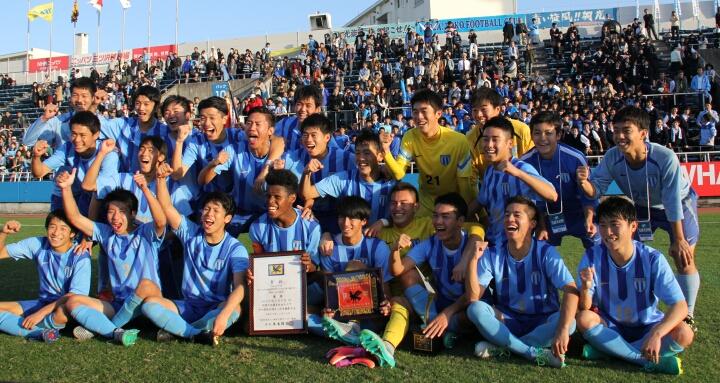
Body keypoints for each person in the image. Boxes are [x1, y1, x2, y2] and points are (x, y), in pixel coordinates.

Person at [578, 107, 700, 327]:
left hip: (679, 202)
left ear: (643, 133)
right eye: (615, 131)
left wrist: (679, 239)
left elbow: (672, 200)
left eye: (626, 130)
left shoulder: (665, 157)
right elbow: (596, 190)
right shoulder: (612, 157)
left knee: (683, 257)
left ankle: (687, 315)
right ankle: (627, 310)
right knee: (629, 255)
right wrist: (585, 182)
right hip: (642, 207)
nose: (619, 136)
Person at [575, 196, 694, 375]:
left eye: (614, 224)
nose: (607, 232)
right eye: (603, 225)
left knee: (685, 333)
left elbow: (680, 306)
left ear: (633, 226)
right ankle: (643, 360)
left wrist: (657, 334)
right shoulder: (592, 256)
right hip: (611, 326)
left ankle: (609, 351)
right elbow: (584, 307)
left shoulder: (652, 258)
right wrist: (585, 287)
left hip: (647, 327)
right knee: (584, 319)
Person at [57, 168, 166, 346]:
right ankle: (115, 331)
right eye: (110, 212)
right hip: (118, 304)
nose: (115, 217)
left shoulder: (145, 233)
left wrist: (145, 189)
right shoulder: (107, 234)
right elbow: (75, 218)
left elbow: (161, 221)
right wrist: (66, 188)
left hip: (147, 304)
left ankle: (105, 329)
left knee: (146, 285)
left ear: (132, 214)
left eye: (122, 211)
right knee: (73, 301)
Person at [141, 164, 248, 346]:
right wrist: (160, 180)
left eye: (215, 210)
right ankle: (196, 333)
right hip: (188, 305)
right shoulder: (191, 233)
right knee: (149, 304)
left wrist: (222, 315)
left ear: (227, 218)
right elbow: (167, 207)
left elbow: (240, 287)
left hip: (215, 307)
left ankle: (178, 330)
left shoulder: (236, 248)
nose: (208, 214)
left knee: (234, 309)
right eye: (206, 209)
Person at [465, 196, 578, 368]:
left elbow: (571, 290)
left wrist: (562, 330)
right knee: (475, 309)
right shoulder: (492, 254)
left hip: (542, 321)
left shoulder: (546, 252)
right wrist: (473, 260)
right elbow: (473, 298)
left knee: (570, 323)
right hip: (507, 320)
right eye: (507, 214)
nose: (510, 219)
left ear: (532, 224)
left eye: (517, 215)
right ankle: (531, 353)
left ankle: (505, 348)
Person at [313, 197, 406, 368]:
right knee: (309, 318)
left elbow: (384, 286)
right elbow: (330, 288)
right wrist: (329, 308)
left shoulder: (377, 247)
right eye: (342, 217)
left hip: (371, 312)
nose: (346, 223)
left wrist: (385, 302)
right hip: (342, 312)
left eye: (352, 218)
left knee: (354, 265)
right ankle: (356, 338)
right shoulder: (329, 247)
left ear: (364, 221)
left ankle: (354, 332)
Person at [387, 193, 475, 348]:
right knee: (408, 275)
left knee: (474, 314)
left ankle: (440, 328)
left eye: (446, 216)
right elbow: (398, 271)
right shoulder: (430, 244)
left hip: (466, 306)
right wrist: (395, 250)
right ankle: (434, 324)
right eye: (435, 216)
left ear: (460, 221)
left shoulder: (473, 246)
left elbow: (473, 295)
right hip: (442, 304)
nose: (438, 221)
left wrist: (447, 314)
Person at [382, 89, 475, 217]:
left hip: (453, 205)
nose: (419, 117)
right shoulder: (410, 137)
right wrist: (385, 151)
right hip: (426, 204)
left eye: (424, 111)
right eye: (415, 112)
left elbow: (464, 186)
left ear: (438, 114)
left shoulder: (458, 141)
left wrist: (465, 215)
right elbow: (399, 174)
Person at [0, 211, 91, 342]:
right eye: (52, 227)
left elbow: (75, 296)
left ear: (73, 233)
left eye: (63, 228)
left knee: (63, 312)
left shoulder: (80, 255)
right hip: (43, 303)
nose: (55, 232)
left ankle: (37, 329)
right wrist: (4, 233)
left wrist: (39, 314)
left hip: (66, 307)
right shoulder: (38, 244)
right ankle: (42, 332)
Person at [469, 116, 557, 245]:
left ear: (510, 143)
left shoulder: (522, 168)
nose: (489, 145)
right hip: (494, 243)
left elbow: (552, 195)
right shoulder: (490, 171)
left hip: (517, 247)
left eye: (495, 140)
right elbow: (480, 201)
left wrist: (518, 174)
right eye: (485, 139)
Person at [520, 112, 599, 249]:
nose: (542, 138)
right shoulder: (525, 163)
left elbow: (588, 194)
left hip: (579, 214)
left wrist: (589, 219)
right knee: (538, 252)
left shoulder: (575, 158)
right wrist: (540, 225)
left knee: (599, 246)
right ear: (531, 136)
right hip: (547, 218)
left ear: (558, 135)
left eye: (548, 133)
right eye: (537, 133)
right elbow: (531, 201)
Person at [200, 106, 278, 235]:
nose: (252, 128)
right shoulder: (234, 150)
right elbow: (203, 180)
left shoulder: (279, 154)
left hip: (268, 214)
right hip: (240, 213)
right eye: (249, 123)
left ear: (270, 131)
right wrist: (213, 164)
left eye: (258, 124)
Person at [249, 169, 323, 305]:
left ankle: (310, 317)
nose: (270, 201)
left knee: (321, 280)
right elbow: (258, 262)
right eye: (268, 196)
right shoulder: (257, 227)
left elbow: (314, 266)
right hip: (272, 285)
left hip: (302, 283)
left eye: (277, 197)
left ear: (292, 198)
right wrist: (252, 272)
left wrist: (308, 265)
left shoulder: (311, 227)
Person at [31, 111, 120, 216]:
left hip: (104, 205)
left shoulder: (109, 154)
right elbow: (39, 172)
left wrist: (89, 227)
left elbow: (96, 190)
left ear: (96, 135)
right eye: (73, 134)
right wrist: (36, 156)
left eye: (83, 135)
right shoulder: (68, 148)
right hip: (82, 201)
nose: (77, 140)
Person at [300, 129, 394, 226]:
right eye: (357, 153)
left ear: (380, 156)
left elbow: (406, 214)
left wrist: (384, 222)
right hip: (350, 239)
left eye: (367, 153)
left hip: (384, 240)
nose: (361, 158)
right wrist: (306, 173)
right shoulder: (344, 179)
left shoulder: (391, 183)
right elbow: (307, 194)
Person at [282, 113, 355, 233]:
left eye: (313, 135)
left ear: (327, 138)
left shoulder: (347, 158)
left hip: (339, 218)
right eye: (305, 135)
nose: (309, 140)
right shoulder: (293, 157)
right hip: (306, 214)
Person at [467, 87, 534, 184]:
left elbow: (532, 163)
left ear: (497, 109)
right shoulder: (470, 138)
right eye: (475, 110)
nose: (478, 115)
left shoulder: (521, 130)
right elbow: (472, 176)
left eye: (483, 109)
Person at [23, 77, 104, 149]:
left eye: (84, 96)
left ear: (93, 98)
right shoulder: (59, 122)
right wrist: (44, 118)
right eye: (75, 95)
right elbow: (28, 142)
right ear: (70, 97)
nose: (79, 100)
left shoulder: (103, 123)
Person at [274, 85, 339, 151]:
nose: (303, 109)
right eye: (299, 104)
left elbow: (336, 154)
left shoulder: (323, 132)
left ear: (318, 109)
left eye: (308, 105)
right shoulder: (284, 124)